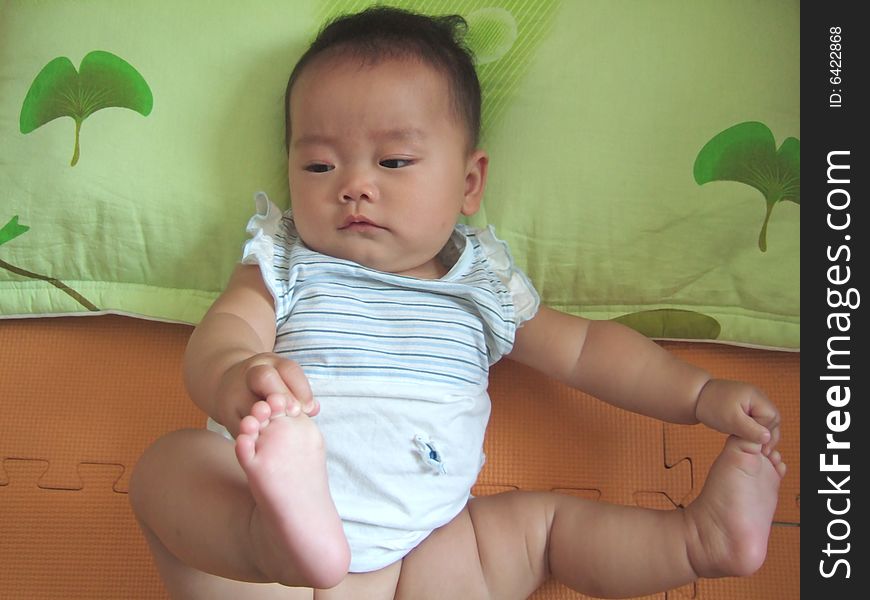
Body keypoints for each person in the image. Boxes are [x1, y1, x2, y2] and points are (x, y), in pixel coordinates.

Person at [129, 7, 785, 599]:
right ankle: (275, 537)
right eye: (320, 166)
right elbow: (224, 336)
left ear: (469, 182)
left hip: (429, 554)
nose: (354, 186)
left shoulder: (482, 282)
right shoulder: (286, 256)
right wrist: (240, 377)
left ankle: (700, 541)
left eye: (394, 161)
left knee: (546, 531)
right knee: (168, 468)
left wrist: (698, 395)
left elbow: (588, 351)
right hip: (270, 560)